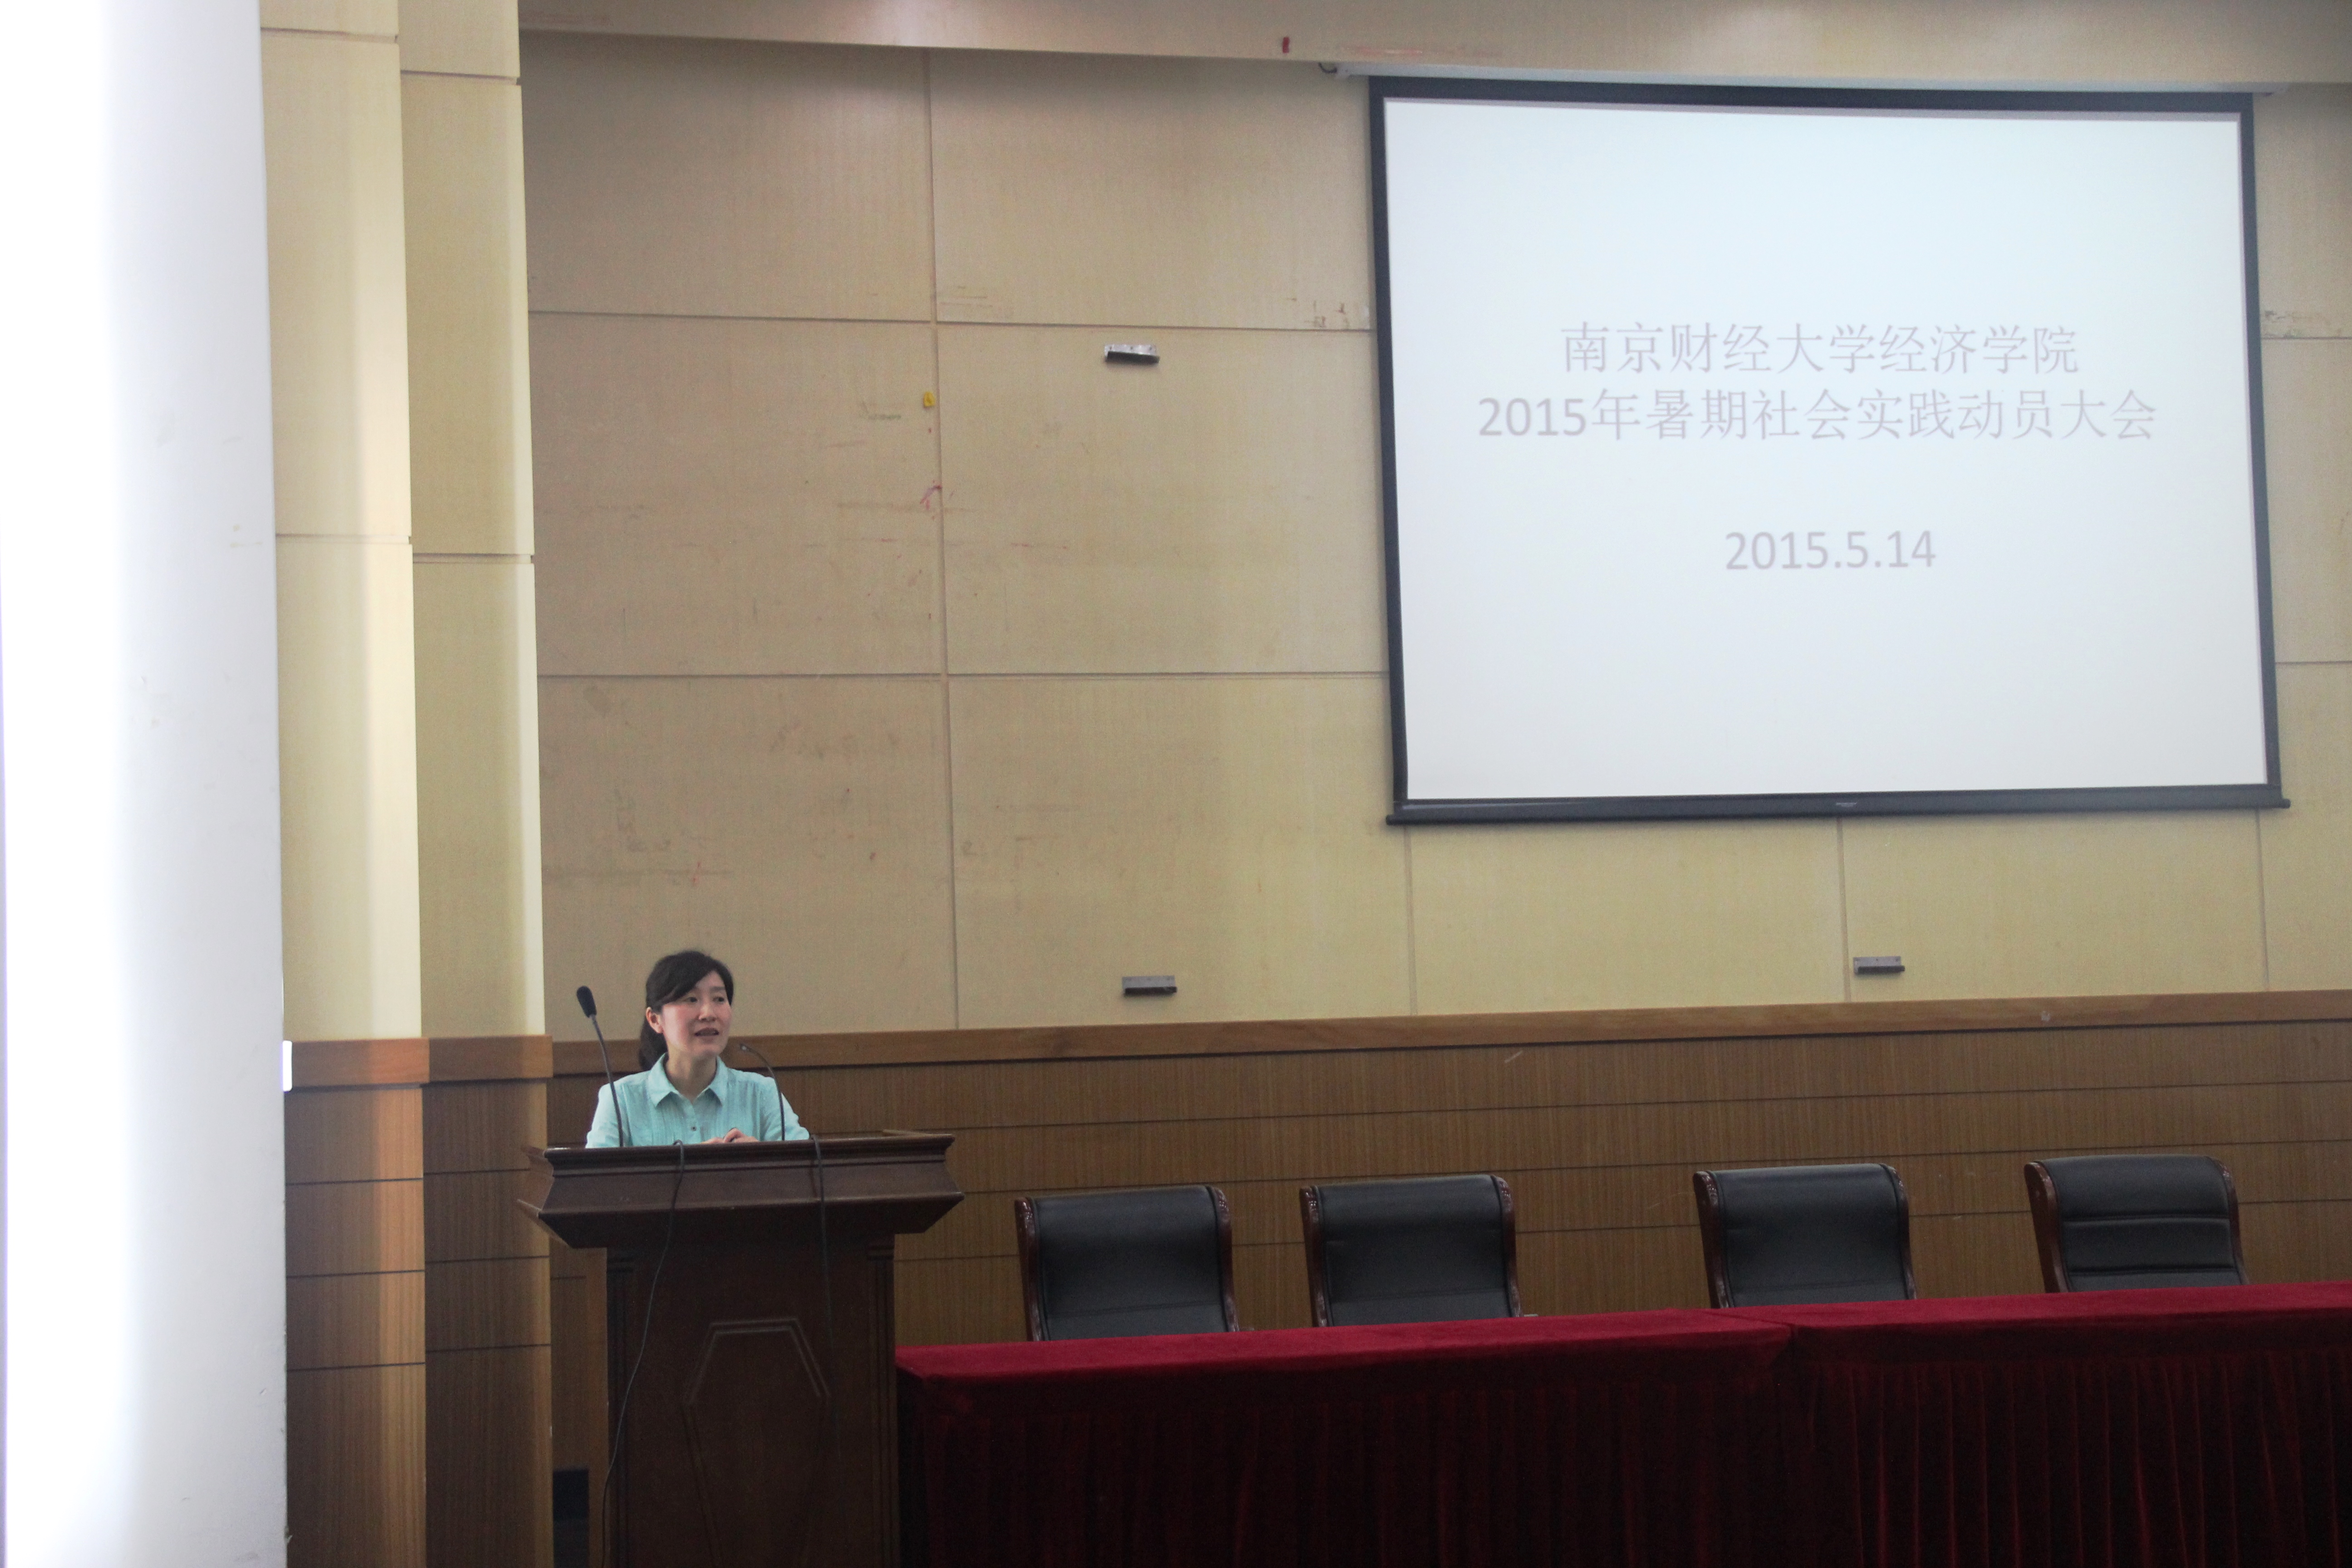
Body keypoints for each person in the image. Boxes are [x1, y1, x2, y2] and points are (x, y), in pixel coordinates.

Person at [586, 949, 809, 1147]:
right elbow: (596, 1180)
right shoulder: (621, 1100)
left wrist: (760, 1160)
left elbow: (807, 1171)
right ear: (655, 1019)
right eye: (691, 1000)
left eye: (719, 999)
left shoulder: (761, 1095)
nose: (709, 1014)